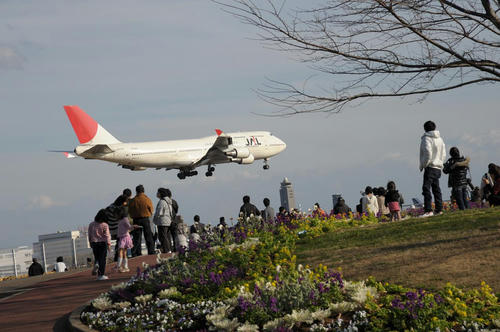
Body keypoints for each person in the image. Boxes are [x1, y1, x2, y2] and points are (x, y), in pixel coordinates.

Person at [419, 120, 446, 217]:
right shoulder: (440, 139)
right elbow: (443, 154)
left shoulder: (426, 138)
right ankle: (439, 209)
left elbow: (427, 153)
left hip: (430, 166)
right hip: (438, 167)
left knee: (426, 188)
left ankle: (428, 210)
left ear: (425, 128)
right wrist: (440, 163)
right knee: (436, 189)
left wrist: (424, 164)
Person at [128, 185, 155, 256]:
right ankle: (151, 251)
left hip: (136, 220)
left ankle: (137, 252)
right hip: (145, 219)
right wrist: (149, 213)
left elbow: (130, 211)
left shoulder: (133, 200)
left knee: (137, 237)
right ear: (143, 191)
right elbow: (151, 209)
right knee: (148, 236)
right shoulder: (147, 199)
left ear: (136, 191)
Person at [88, 209, 111, 280]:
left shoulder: (91, 224)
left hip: (94, 243)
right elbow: (107, 235)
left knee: (97, 257)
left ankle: (96, 264)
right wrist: (109, 244)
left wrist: (90, 242)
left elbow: (89, 234)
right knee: (102, 259)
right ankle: (101, 275)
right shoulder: (105, 225)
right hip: (102, 243)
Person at [115, 207, 138, 272]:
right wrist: (133, 226)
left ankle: (119, 266)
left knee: (120, 251)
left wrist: (133, 226)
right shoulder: (122, 219)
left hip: (124, 237)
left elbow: (129, 227)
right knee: (124, 252)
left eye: (117, 214)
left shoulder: (125, 219)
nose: (116, 215)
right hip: (123, 237)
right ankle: (125, 266)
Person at [153, 188, 174, 254]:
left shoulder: (162, 201)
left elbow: (159, 212)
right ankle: (168, 249)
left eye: (158, 192)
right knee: (166, 236)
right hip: (168, 220)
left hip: (162, 221)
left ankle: (167, 250)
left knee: (163, 236)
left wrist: (155, 218)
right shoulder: (168, 201)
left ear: (161, 193)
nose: (157, 194)